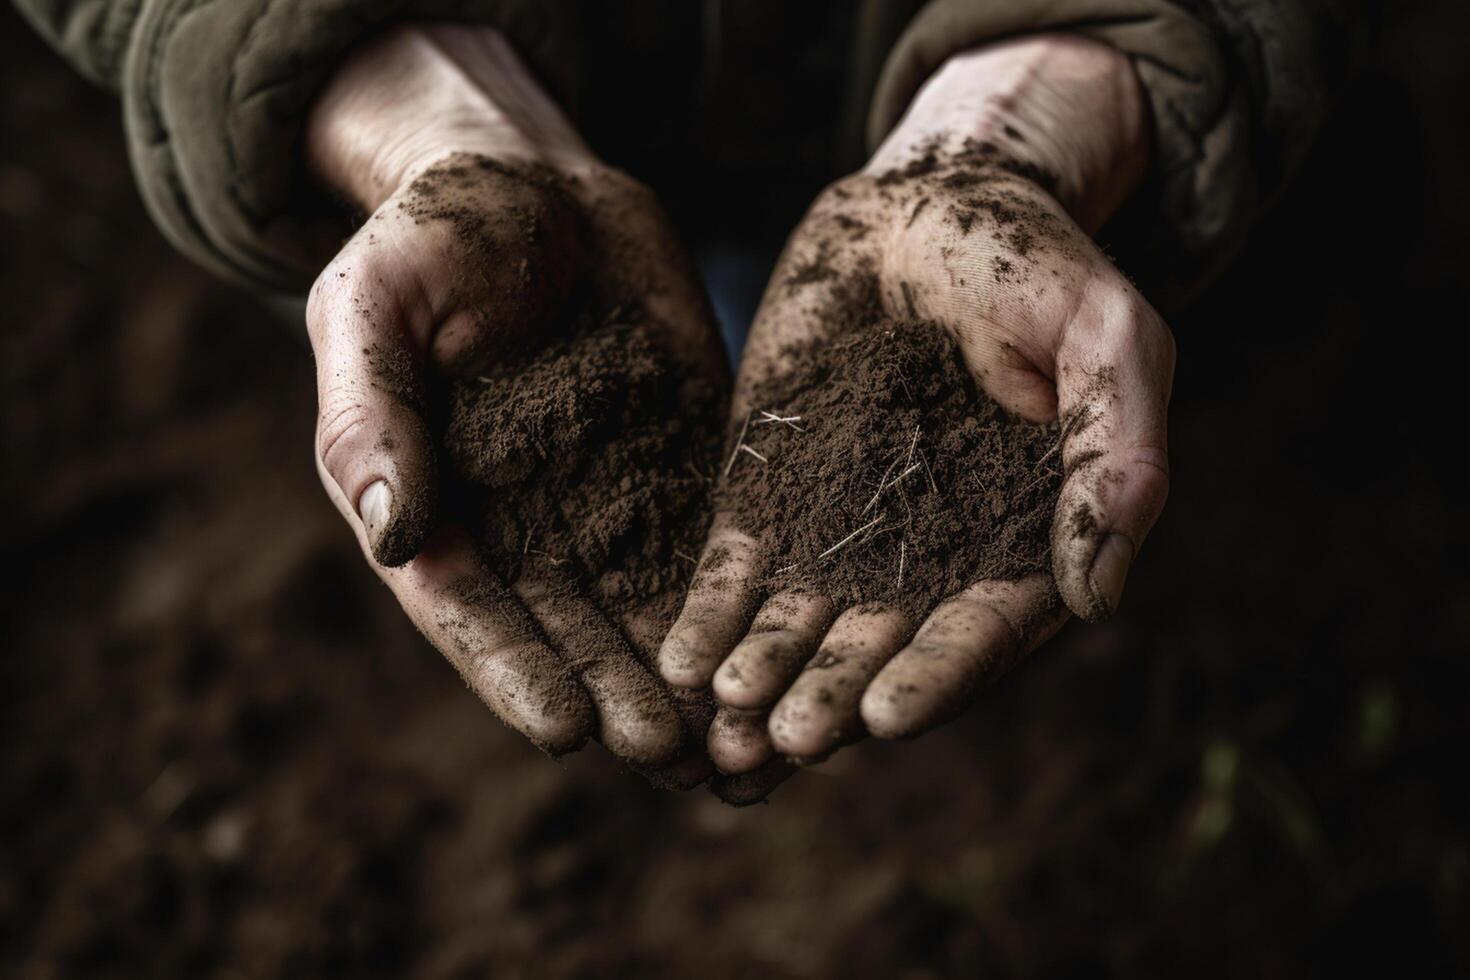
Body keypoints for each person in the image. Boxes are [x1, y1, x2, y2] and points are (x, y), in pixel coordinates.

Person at [15, 0, 1369, 800]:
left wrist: (1076, 79)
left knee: (1135, 346)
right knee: (619, 357)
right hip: (507, 133)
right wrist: (402, 97)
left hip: (1008, 134)